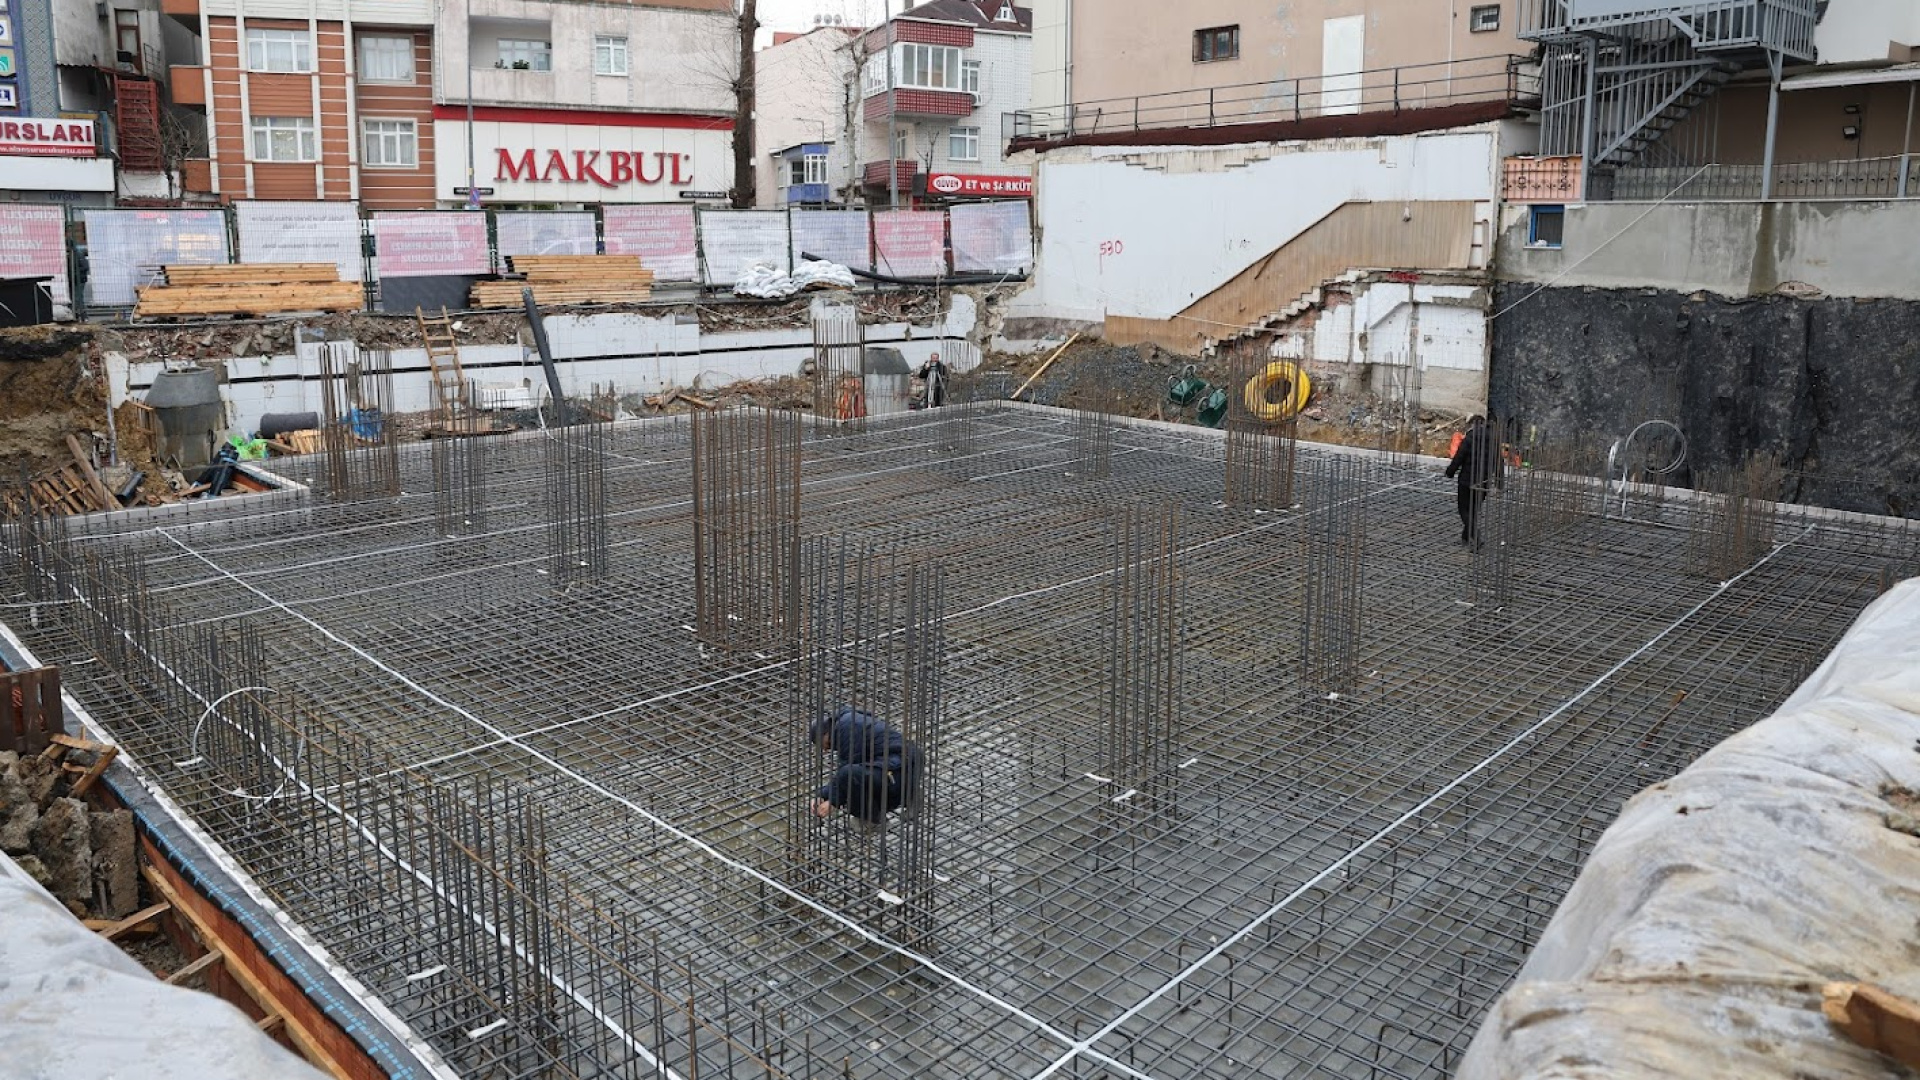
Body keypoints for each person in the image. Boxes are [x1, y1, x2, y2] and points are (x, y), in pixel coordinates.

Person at [809, 705, 923, 829]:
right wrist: (822, 794)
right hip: (903, 765)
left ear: (825, 734)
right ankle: (909, 795)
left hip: (901, 767)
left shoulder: (847, 728)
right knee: (855, 776)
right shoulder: (846, 723)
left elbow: (846, 773)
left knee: (851, 777)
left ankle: (873, 820)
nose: (825, 749)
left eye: (820, 744)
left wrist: (833, 802)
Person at [1445, 414, 1504, 547]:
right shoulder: (1494, 440)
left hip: (1467, 481)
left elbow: (1459, 457)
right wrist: (1499, 483)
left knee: (1464, 510)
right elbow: (1499, 463)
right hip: (1483, 482)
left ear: (1472, 425)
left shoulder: (1470, 437)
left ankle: (1475, 537)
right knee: (1473, 510)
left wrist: (1450, 472)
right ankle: (1465, 537)